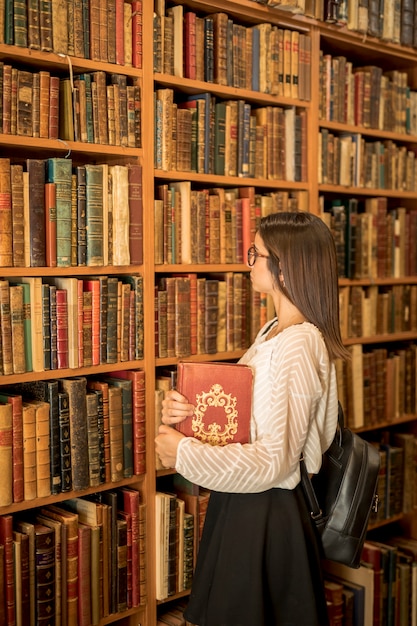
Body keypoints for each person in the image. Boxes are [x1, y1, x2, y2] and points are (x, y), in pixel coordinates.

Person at [155, 211, 351, 626]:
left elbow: (274, 462)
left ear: (285, 265)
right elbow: (245, 421)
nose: (247, 263)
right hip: (245, 508)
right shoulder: (274, 332)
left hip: (266, 514)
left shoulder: (298, 345)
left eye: (254, 253)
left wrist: (185, 452)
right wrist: (188, 413)